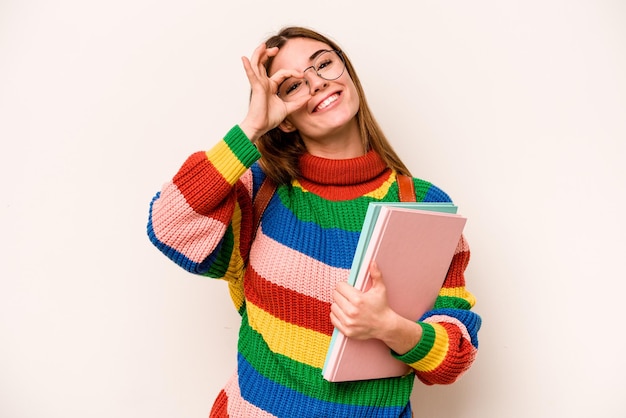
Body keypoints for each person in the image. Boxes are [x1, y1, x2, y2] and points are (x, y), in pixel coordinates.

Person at [147, 26, 481, 418]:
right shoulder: (260, 190)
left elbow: (454, 354)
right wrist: (251, 128)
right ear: (284, 118)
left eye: (324, 64)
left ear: (349, 75)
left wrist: (388, 326)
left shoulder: (421, 204)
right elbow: (169, 224)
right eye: (294, 86)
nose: (319, 82)